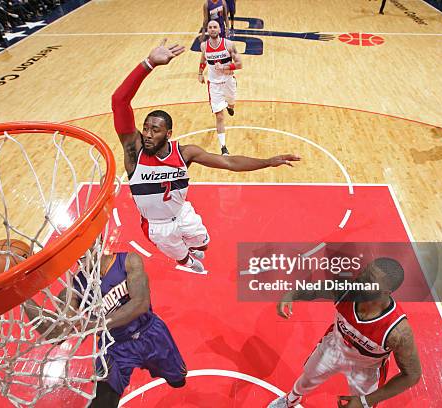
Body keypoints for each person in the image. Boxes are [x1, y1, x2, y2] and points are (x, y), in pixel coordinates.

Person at [111, 40, 300, 273]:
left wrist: (268, 162)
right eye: (146, 128)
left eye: (155, 130)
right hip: (157, 226)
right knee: (186, 260)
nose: (148, 134)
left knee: (204, 244)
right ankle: (187, 262)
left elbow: (229, 162)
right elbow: (119, 101)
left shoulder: (185, 152)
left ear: (168, 134)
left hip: (182, 213)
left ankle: (193, 248)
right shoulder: (134, 152)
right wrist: (148, 64)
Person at [24, 250, 187, 408]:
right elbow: (56, 333)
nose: (81, 253)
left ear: (99, 241)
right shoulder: (76, 286)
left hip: (150, 335)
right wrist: (20, 293)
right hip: (114, 347)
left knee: (178, 381)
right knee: (102, 403)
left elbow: (140, 304)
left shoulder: (128, 260)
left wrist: (95, 324)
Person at [268, 258, 422, 408]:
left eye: (370, 281)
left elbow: (412, 375)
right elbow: (315, 289)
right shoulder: (346, 289)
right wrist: (292, 294)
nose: (360, 280)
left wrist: (365, 401)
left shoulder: (398, 331)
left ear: (386, 292)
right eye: (364, 273)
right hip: (334, 347)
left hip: (367, 368)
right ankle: (292, 399)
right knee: (307, 378)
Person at [198, 20, 242, 155]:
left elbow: (239, 64)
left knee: (232, 103)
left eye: (215, 27)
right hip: (214, 85)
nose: (212, 29)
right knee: (219, 116)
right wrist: (200, 73)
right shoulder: (204, 46)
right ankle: (223, 146)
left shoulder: (228, 44)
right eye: (210, 27)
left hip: (228, 81)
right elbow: (203, 60)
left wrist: (224, 67)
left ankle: (230, 106)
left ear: (219, 29)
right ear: (207, 30)